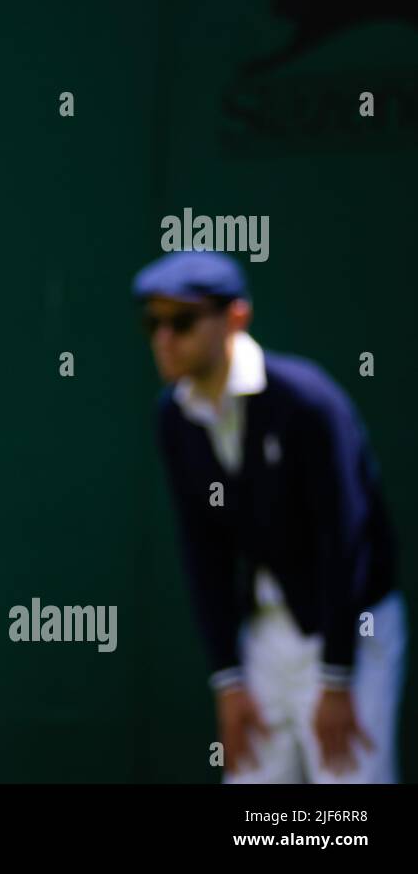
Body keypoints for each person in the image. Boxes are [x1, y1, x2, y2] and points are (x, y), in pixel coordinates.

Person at [133, 250, 405, 783]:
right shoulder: (173, 417)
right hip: (263, 640)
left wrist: (337, 676)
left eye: (182, 321)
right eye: (153, 323)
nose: (165, 338)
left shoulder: (307, 402)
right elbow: (202, 551)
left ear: (236, 317)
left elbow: (345, 542)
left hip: (352, 632)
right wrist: (228, 680)